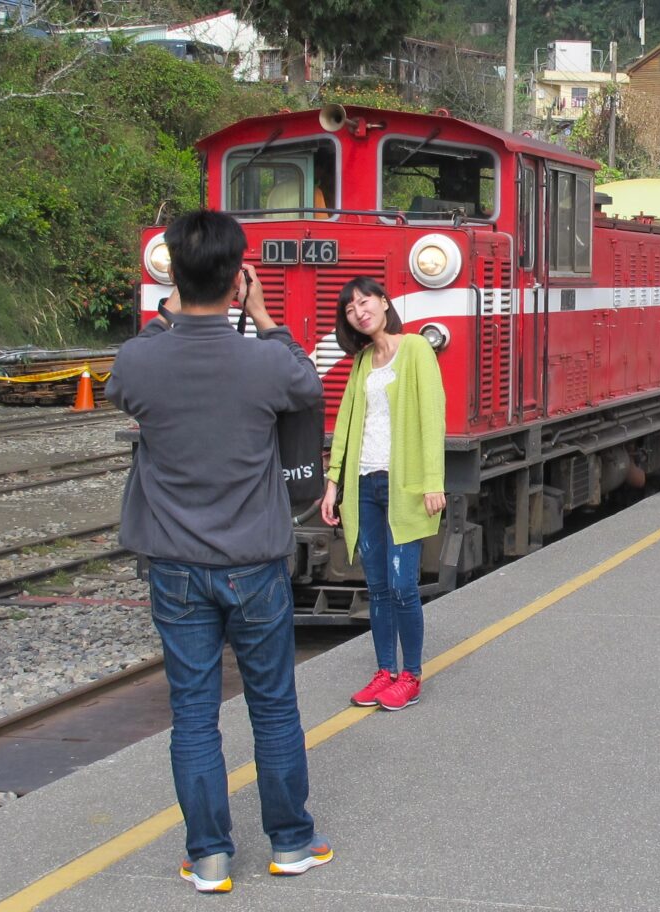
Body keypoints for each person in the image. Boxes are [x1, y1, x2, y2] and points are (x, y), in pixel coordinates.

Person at [106, 211, 332, 894]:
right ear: (239, 279)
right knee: (273, 707)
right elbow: (307, 381)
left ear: (173, 276)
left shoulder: (140, 358)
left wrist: (173, 313)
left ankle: (208, 857)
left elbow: (129, 376)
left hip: (175, 569)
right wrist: (262, 314)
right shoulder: (264, 360)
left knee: (194, 714)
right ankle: (290, 843)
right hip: (255, 566)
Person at [321, 277, 445, 711]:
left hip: (402, 485)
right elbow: (346, 424)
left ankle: (410, 675)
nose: (358, 310)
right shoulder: (362, 362)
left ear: (384, 302)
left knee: (402, 586)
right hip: (364, 484)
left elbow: (432, 415)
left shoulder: (415, 349)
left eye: (364, 300)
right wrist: (333, 482)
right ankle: (384, 671)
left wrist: (434, 481)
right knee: (376, 587)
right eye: (350, 307)